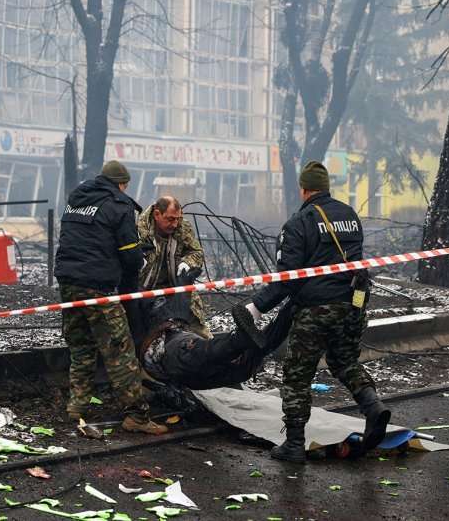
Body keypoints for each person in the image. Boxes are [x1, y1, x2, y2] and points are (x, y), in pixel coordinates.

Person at [232, 160, 390, 463]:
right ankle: (373, 407)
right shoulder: (349, 215)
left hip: (316, 311)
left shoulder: (299, 223)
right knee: (343, 360)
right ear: (326, 187)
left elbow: (287, 279)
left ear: (303, 189)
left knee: (296, 375)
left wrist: (256, 307)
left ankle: (293, 444)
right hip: (352, 305)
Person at [54, 160, 167, 436]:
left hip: (67, 282)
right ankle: (137, 416)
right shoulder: (119, 205)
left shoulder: (76, 199)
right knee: (120, 351)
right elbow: (129, 255)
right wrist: (141, 256)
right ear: (122, 183)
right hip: (97, 287)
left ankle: (77, 406)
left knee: (81, 347)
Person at [139, 295, 295, 390]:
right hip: (165, 356)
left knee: (246, 362)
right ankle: (241, 338)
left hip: (186, 373)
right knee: (200, 353)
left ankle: (291, 310)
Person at [137, 196, 210, 338]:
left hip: (175, 287)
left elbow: (197, 252)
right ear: (157, 214)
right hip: (144, 291)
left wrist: (187, 262)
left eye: (177, 218)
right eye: (170, 219)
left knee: (201, 333)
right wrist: (137, 259)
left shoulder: (183, 227)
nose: (175, 224)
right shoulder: (138, 228)